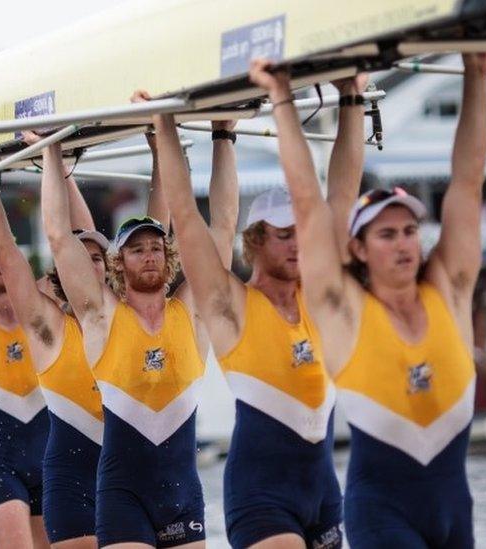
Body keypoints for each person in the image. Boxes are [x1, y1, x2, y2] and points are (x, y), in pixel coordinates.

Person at [249, 53, 486, 548]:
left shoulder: (449, 289)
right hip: (382, 514)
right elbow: (307, 202)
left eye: (409, 231)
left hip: (454, 512)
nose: (403, 243)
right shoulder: (344, 308)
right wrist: (280, 98)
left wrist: (476, 74)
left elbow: (468, 180)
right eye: (386, 234)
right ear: (357, 247)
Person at [153, 72, 369, 548]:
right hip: (261, 497)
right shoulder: (231, 305)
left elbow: (343, 196)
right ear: (254, 242)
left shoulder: (318, 298)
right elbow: (187, 216)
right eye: (283, 234)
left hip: (324, 494)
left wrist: (352, 96)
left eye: (300, 233)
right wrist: (163, 122)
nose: (298, 245)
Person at [43, 98, 238, 548]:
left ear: (167, 257)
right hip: (121, 496)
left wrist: (222, 135)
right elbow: (57, 236)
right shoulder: (102, 315)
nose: (148, 254)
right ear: (118, 262)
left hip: (183, 495)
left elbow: (223, 226)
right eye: (136, 248)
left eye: (155, 246)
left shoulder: (189, 312)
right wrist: (51, 152)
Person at [0, 152, 101, 548]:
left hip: (107, 467)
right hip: (33, 463)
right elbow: (9, 252)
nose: (89, 266)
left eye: (97, 261)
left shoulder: (106, 314)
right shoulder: (46, 317)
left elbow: (83, 238)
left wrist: (62, 170)